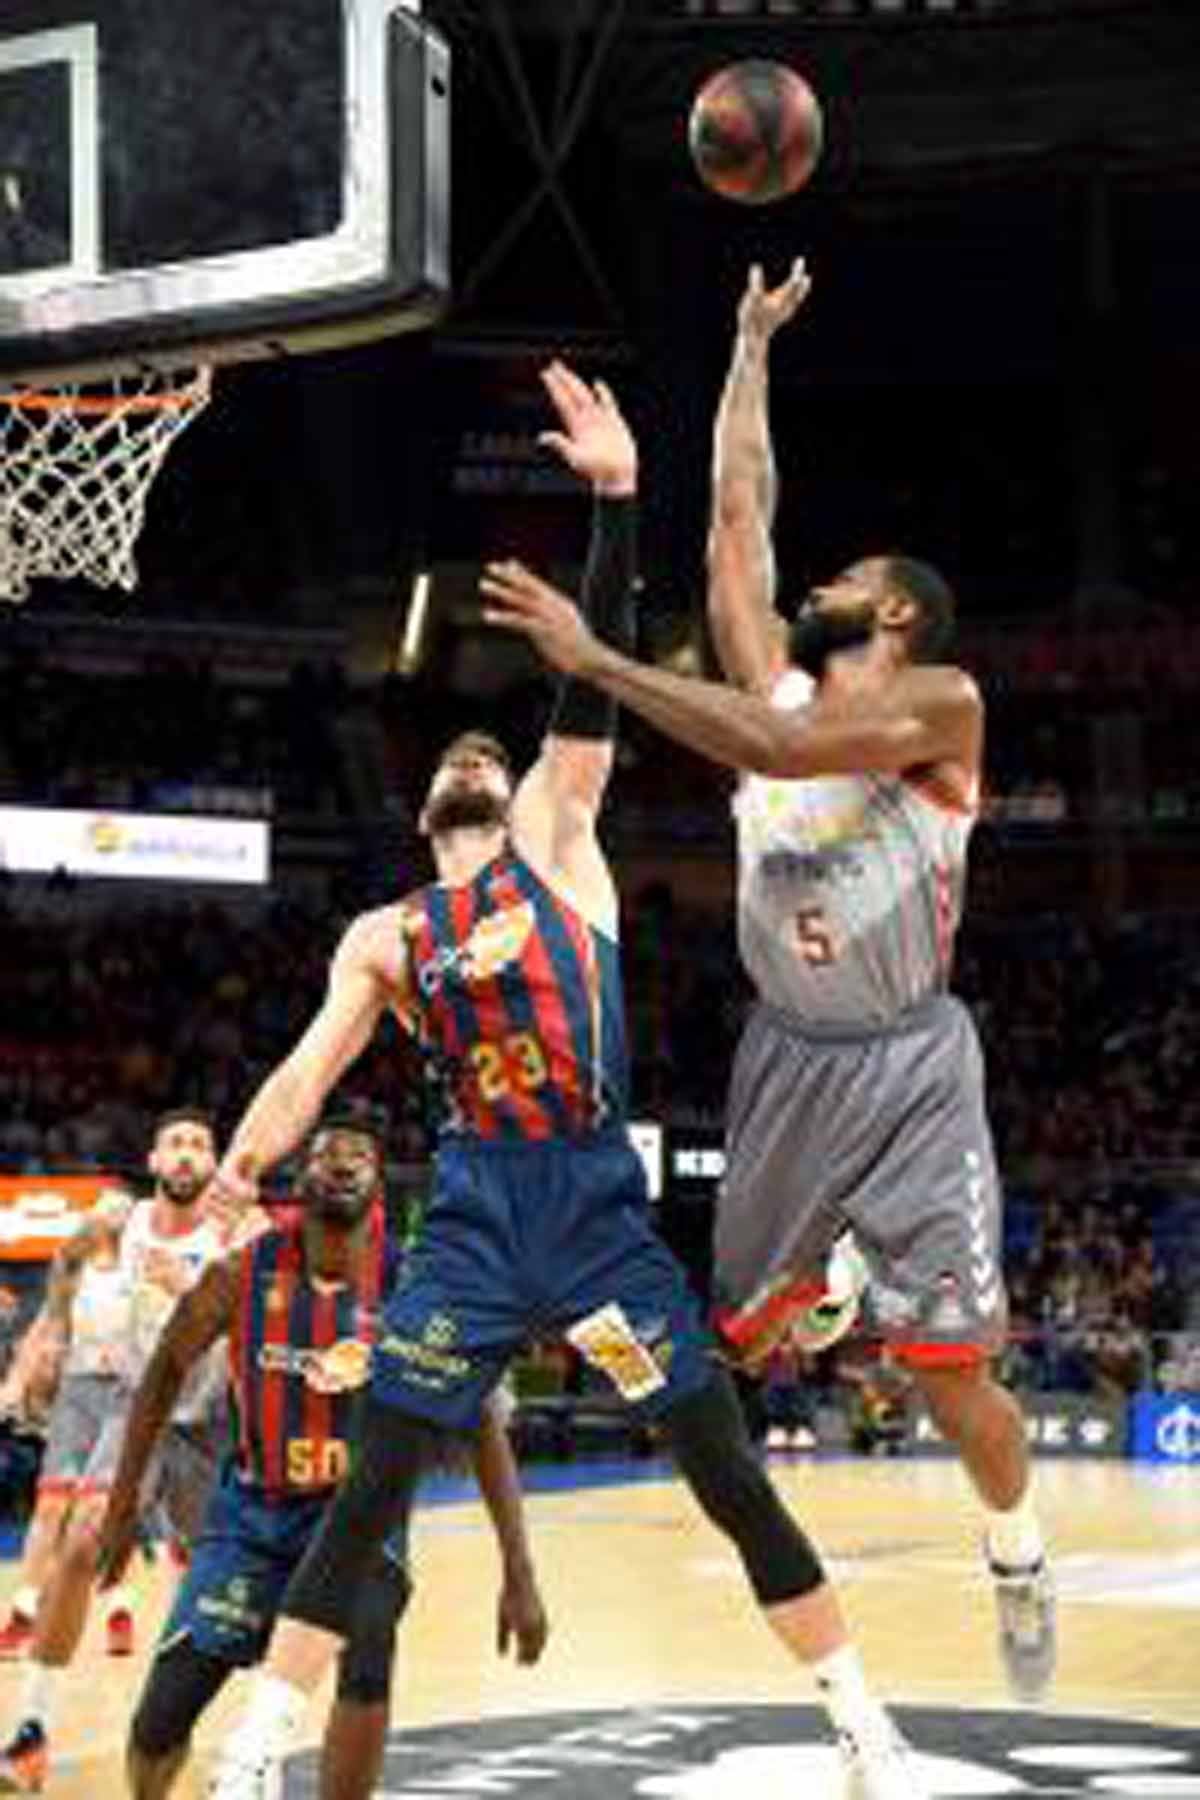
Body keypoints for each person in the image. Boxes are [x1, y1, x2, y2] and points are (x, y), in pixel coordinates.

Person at [200, 363, 923, 1799]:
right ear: (422, 807)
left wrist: (613, 499)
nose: (481, 761)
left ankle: (864, 1724)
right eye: (457, 755)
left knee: (725, 1471)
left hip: (594, 1206)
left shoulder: (559, 838)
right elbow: (301, 1075)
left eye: (493, 748)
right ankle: (257, 1746)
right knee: (373, 1484)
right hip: (471, 1221)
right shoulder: (388, 937)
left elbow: (579, 707)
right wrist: (234, 1171)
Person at [478, 257, 1056, 1704]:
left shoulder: (941, 706)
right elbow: (740, 516)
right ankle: (836, 1278)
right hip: (787, 1057)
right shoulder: (776, 683)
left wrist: (598, 659)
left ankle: (1020, 1548)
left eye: (846, 583)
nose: (817, 586)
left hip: (913, 1063)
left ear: (900, 617)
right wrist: (745, 346)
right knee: (738, 1347)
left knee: (946, 1378)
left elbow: (786, 753)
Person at [86, 1113, 546, 1800]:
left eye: (359, 1153)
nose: (342, 1162)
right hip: (253, 1513)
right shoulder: (243, 1270)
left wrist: (519, 1569)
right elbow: (161, 1373)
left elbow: (481, 1423)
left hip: (360, 1519)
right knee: (161, 1718)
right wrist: (122, 1506)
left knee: (367, 1659)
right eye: (327, 1153)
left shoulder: (415, 1289)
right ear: (301, 1180)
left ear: (379, 1187)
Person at [0, 1108, 227, 1793]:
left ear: (212, 1165)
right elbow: (66, 1269)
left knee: (225, 1585)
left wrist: (194, 1293)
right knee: (76, 1540)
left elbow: (255, 1324)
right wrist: (40, 1346)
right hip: (138, 1411)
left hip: (213, 1421)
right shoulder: (117, 1223)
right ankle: (31, 1732)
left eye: (198, 1146)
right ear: (154, 1161)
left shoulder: (235, 1232)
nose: (186, 1155)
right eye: (175, 1145)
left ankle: (246, 1730)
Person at [0, 1186, 140, 1664]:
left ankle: (120, 1609)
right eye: (107, 1208)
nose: (115, 1214)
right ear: (94, 1218)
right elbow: (49, 1326)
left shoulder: (147, 1265)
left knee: (101, 1513)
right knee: (49, 1508)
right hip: (78, 1392)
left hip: (129, 1394)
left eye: (123, 1208)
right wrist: (17, 1384)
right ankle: (23, 1614)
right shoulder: (72, 1267)